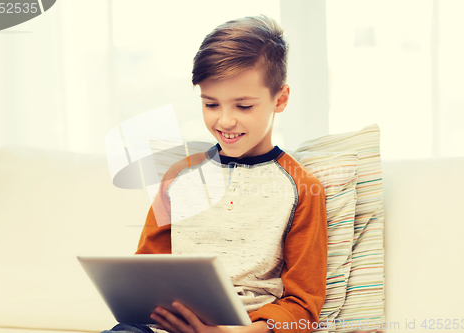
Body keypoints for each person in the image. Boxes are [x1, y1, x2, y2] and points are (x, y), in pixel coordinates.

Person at [104, 14, 327, 333]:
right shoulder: (179, 175)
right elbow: (144, 272)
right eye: (211, 104)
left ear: (280, 99)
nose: (224, 121)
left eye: (243, 106)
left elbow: (303, 307)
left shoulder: (302, 189)